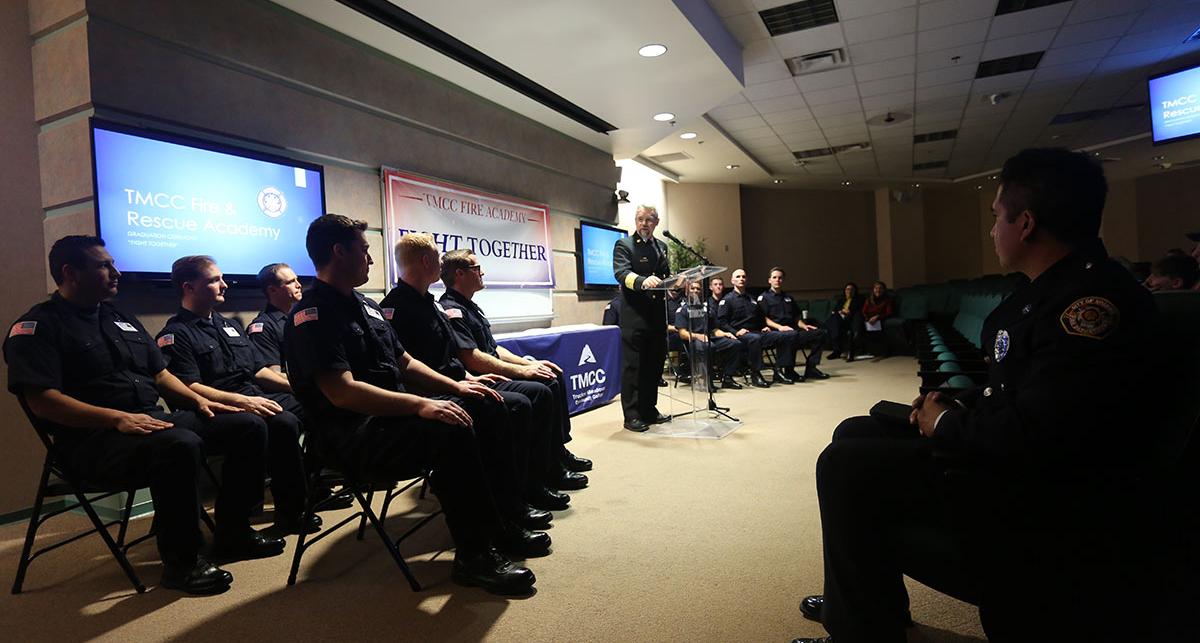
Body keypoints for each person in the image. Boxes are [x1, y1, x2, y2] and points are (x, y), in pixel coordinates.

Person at [792, 149, 1165, 643]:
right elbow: (1022, 389)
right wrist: (959, 401)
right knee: (854, 432)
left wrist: (944, 424)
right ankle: (863, 611)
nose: (993, 230)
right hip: (1009, 456)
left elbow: (1045, 434)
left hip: (1040, 494)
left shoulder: (1089, 307)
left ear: (1026, 223)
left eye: (996, 218)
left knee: (844, 464)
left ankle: (859, 629)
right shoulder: (1053, 287)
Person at [4, 236, 284, 595]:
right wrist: (114, 419)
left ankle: (234, 532)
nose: (115, 272)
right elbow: (44, 402)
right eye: (103, 265)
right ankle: (182, 563)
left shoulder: (119, 317)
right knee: (179, 444)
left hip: (148, 420)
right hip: (91, 440)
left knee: (248, 424)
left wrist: (199, 402)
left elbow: (161, 376)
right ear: (69, 273)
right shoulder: (36, 328)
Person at [284, 214, 539, 596]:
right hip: (353, 433)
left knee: (487, 404)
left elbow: (404, 362)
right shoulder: (313, 315)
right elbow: (343, 393)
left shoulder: (365, 306)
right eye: (364, 250)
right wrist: (422, 404)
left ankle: (504, 520)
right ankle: (475, 556)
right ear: (339, 252)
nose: (370, 260)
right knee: (451, 425)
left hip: (390, 418)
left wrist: (456, 386)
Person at [379, 235, 576, 520]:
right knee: (520, 402)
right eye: (436, 257)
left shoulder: (430, 303)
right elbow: (411, 368)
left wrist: (469, 378)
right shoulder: (397, 308)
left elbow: (465, 355)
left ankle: (536, 478)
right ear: (426, 261)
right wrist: (462, 382)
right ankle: (516, 498)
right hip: (435, 393)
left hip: (458, 383)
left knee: (537, 390)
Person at [156, 256, 316, 535]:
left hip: (251, 396)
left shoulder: (229, 326)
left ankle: (293, 511)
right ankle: (234, 524)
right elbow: (189, 386)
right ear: (189, 287)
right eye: (214, 280)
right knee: (271, 423)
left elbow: (258, 371)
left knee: (303, 409)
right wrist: (242, 402)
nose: (225, 285)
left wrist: (295, 388)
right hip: (216, 406)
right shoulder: (175, 334)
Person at [438, 248, 594, 474]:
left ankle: (556, 451)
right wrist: (523, 372)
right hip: (479, 377)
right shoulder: (452, 309)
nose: (482, 272)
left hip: (491, 369)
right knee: (544, 387)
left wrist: (529, 364)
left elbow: (493, 349)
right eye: (477, 268)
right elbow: (471, 358)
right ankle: (546, 466)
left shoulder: (471, 306)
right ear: (460, 274)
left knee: (553, 375)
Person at [612, 205, 674, 432]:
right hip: (635, 317)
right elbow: (621, 272)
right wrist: (641, 281)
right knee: (634, 368)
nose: (644, 224)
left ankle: (649, 409)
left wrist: (675, 285)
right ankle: (632, 415)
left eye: (649, 220)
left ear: (656, 223)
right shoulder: (624, 245)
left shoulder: (661, 246)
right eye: (640, 219)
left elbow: (665, 276)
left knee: (654, 366)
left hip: (657, 317)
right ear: (636, 221)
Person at [717, 269, 793, 386]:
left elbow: (760, 317)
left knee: (784, 335)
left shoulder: (752, 299)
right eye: (738, 277)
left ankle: (779, 370)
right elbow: (722, 322)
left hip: (757, 332)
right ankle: (755, 374)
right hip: (741, 334)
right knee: (754, 339)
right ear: (732, 281)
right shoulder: (727, 300)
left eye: (743, 276)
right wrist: (736, 332)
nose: (741, 279)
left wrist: (764, 326)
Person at [758, 267, 829, 381]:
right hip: (776, 332)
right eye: (774, 277)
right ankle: (786, 371)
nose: (777, 280)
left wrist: (804, 326)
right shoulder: (764, 298)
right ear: (769, 280)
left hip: (793, 330)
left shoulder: (788, 298)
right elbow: (763, 318)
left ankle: (811, 368)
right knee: (789, 335)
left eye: (780, 278)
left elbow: (796, 317)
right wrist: (780, 327)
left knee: (819, 333)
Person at [675, 280, 742, 390]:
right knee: (710, 347)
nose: (696, 291)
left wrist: (725, 333)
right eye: (693, 288)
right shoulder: (682, 310)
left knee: (735, 344)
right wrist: (698, 336)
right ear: (687, 291)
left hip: (710, 337)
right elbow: (683, 333)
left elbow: (714, 329)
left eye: (698, 289)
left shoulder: (707, 309)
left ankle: (728, 378)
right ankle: (706, 378)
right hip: (694, 340)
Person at [248, 262, 302, 373]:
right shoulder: (264, 327)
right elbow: (274, 375)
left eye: (296, 279)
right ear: (272, 290)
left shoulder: (300, 317)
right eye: (290, 282)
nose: (298, 285)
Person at [825, 282, 863, 361]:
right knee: (833, 319)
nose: (849, 291)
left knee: (834, 324)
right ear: (845, 291)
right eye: (847, 289)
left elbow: (859, 311)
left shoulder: (859, 300)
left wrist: (849, 312)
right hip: (840, 320)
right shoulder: (841, 300)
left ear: (855, 291)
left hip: (851, 320)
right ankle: (836, 350)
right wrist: (841, 312)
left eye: (852, 290)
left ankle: (839, 351)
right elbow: (835, 310)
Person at [858, 280, 894, 358]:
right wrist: (868, 319)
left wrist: (877, 317)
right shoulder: (869, 300)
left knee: (881, 327)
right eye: (876, 288)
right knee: (860, 325)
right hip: (869, 320)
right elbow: (864, 311)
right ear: (873, 290)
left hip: (881, 318)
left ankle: (884, 351)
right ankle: (867, 350)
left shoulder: (887, 300)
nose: (878, 290)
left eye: (880, 288)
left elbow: (889, 312)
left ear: (884, 290)